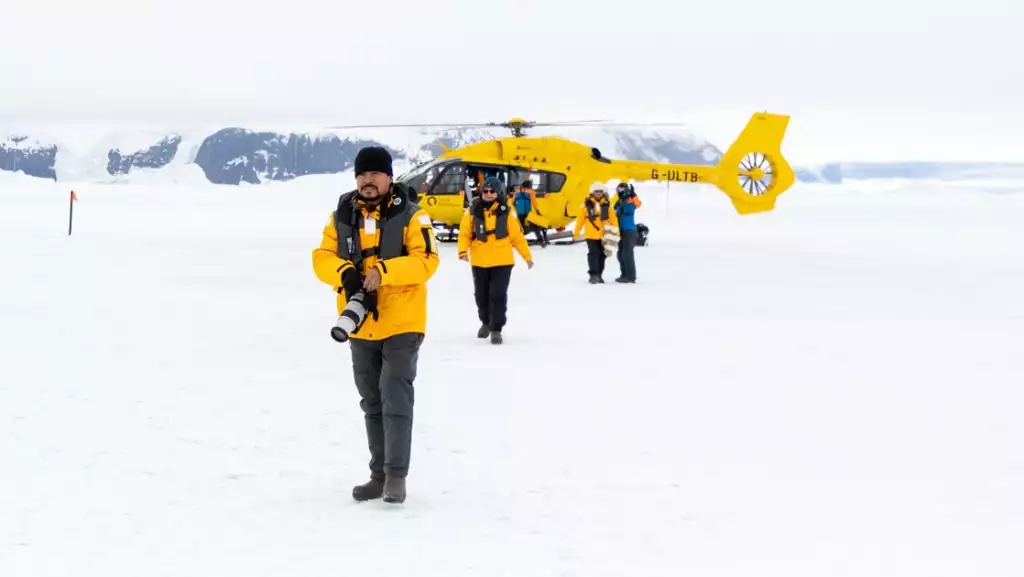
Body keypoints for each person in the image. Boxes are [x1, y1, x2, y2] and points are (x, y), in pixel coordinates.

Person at [311, 146, 440, 504]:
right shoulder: (341, 216)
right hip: (361, 325)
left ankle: (396, 477)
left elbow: (427, 261)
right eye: (362, 175)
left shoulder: (414, 216)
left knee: (395, 397)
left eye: (375, 174)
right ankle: (378, 475)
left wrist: (384, 272)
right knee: (372, 401)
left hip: (402, 322)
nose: (368, 180)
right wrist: (345, 273)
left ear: (389, 177)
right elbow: (321, 257)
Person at [457, 177, 533, 344]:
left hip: (502, 261)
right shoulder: (472, 210)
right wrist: (462, 251)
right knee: (481, 296)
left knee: (498, 294)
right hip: (479, 260)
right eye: (486, 191)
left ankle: (496, 329)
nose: (489, 194)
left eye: (492, 191)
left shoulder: (507, 211)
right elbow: (464, 233)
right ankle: (485, 322)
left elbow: (517, 237)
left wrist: (527, 256)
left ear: (498, 193)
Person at [573, 181, 618, 284]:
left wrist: (616, 233)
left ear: (603, 193)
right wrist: (576, 232)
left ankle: (599, 274)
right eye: (596, 191)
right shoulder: (585, 206)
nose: (598, 193)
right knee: (593, 254)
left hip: (605, 234)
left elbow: (613, 220)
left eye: (600, 191)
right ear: (592, 193)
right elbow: (580, 220)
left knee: (603, 255)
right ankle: (593, 275)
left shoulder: (608, 205)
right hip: (591, 234)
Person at [612, 182, 642, 283]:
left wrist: (632, 196)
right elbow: (614, 213)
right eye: (618, 188)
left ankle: (631, 276)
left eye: (622, 189)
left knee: (627, 254)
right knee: (620, 254)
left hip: (629, 231)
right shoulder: (619, 201)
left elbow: (632, 208)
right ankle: (624, 274)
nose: (619, 190)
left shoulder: (629, 200)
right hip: (620, 231)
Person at [512, 179, 548, 247]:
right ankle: (541, 241)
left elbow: (513, 202)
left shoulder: (516, 191)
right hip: (527, 213)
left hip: (519, 213)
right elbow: (534, 203)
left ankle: (516, 241)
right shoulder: (531, 192)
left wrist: (517, 209)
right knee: (535, 226)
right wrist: (538, 212)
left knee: (520, 227)